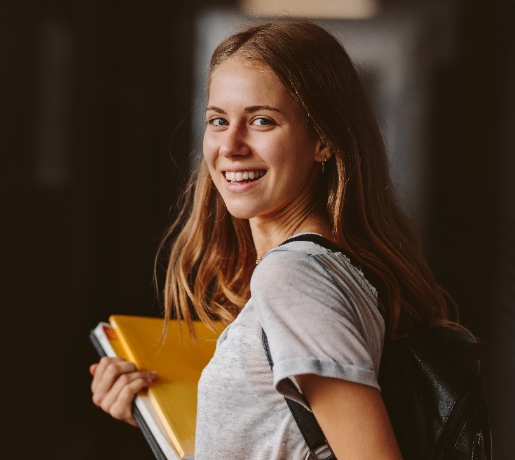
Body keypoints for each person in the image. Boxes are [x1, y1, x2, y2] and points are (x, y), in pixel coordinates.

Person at [90, 20, 456, 459]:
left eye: (262, 120)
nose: (230, 145)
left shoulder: (294, 277)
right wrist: (156, 414)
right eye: (218, 120)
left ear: (323, 139)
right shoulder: (323, 268)